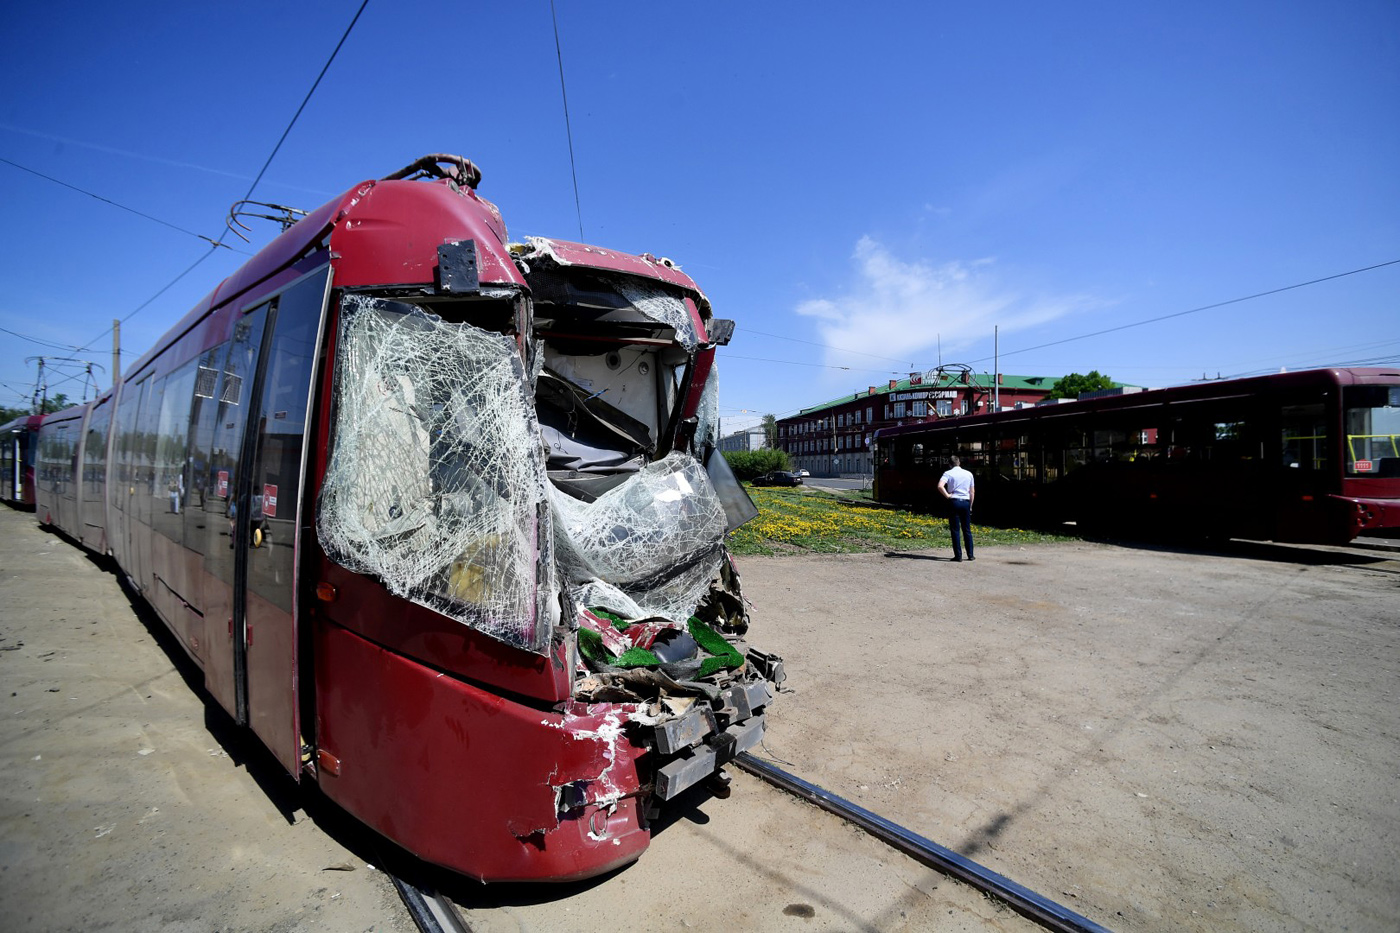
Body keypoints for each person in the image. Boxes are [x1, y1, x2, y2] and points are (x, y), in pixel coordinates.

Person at [937, 454, 975, 561]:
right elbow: (972, 492)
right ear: (959, 463)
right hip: (966, 502)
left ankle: (958, 556)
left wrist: (948, 496)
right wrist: (970, 505)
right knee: (967, 529)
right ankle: (970, 555)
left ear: (950, 464)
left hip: (954, 502)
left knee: (955, 530)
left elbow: (940, 486)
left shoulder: (948, 473)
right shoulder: (969, 474)